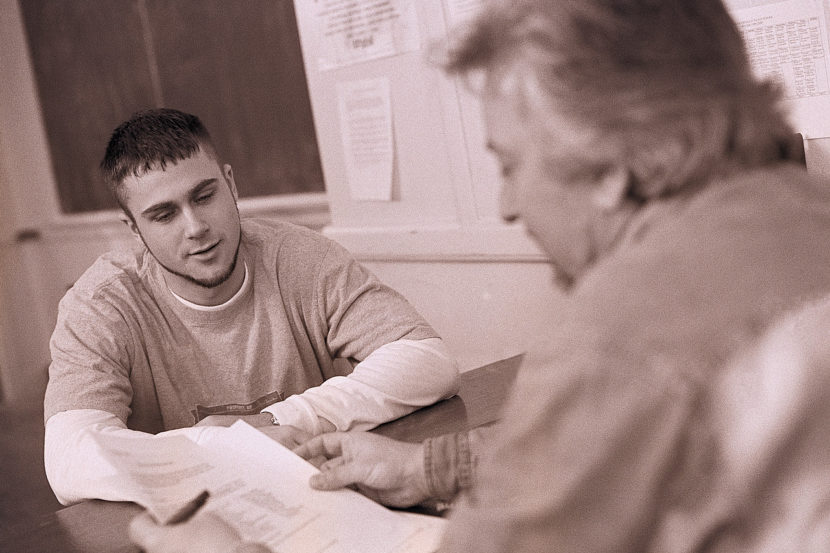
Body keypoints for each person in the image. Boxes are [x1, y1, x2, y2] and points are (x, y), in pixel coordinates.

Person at [127, 0, 830, 551]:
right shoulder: (808, 216)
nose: (507, 203)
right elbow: (606, 450)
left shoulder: (623, 334)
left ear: (613, 164)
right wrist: (425, 468)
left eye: (510, 163)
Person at [43, 108, 460, 506]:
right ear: (134, 229)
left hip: (321, 501)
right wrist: (220, 444)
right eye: (164, 215)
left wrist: (283, 420)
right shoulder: (100, 305)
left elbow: (427, 360)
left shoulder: (300, 257)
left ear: (231, 184)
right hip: (191, 525)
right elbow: (69, 458)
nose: (196, 227)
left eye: (204, 196)